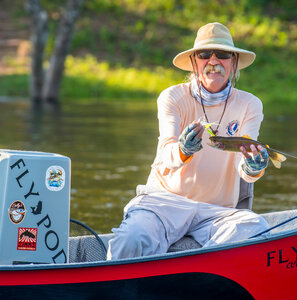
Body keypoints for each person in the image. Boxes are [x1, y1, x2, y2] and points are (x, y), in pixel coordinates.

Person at [107, 22, 270, 260]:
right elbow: (166, 154)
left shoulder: (250, 104)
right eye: (205, 55)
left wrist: (253, 167)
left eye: (223, 54)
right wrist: (183, 150)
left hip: (218, 211)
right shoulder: (171, 97)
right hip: (164, 201)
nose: (213, 61)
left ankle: (199, 277)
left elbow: (244, 167)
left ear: (233, 62)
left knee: (256, 228)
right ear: (195, 62)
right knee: (131, 239)